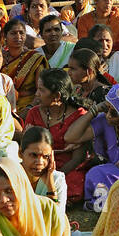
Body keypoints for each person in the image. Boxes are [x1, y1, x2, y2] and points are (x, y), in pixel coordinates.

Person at [25, 68, 91, 204]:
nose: (36, 94)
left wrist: (54, 174)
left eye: (42, 90)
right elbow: (27, 149)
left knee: (74, 183)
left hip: (67, 168)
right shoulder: (34, 113)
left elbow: (78, 157)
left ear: (57, 97)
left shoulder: (79, 116)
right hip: (37, 164)